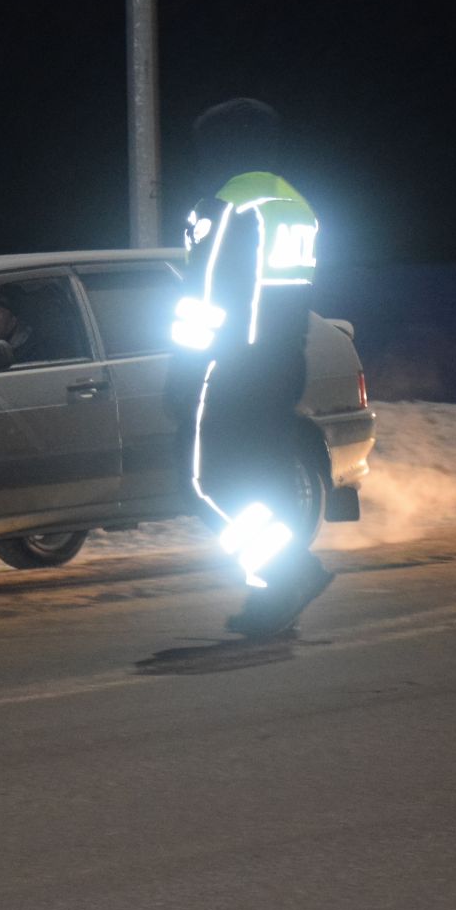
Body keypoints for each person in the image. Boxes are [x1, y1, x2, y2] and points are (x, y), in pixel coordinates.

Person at [173, 158, 335, 640]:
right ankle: (274, 598)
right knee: (260, 482)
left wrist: (183, 373)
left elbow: (207, 293)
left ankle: (289, 572)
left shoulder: (232, 204)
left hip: (234, 364)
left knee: (202, 482)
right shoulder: (297, 205)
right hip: (284, 361)